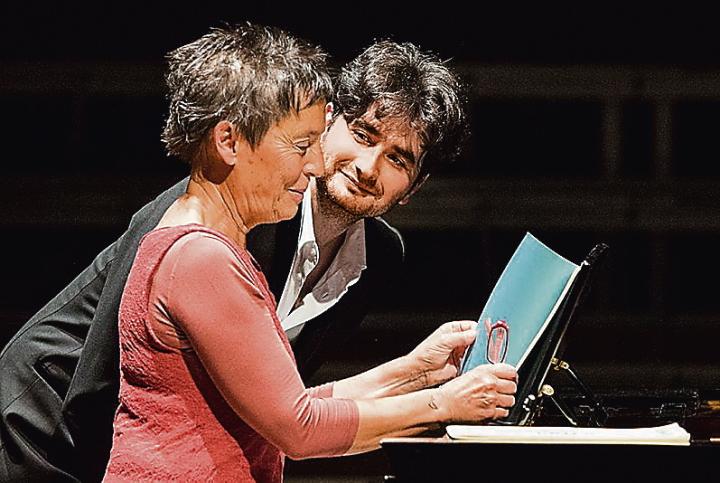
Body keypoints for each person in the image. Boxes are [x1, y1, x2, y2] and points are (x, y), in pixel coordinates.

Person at [0, 29, 500, 483]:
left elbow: (279, 403)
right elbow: (100, 374)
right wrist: (441, 403)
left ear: (416, 186)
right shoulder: (213, 229)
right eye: (362, 135)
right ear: (328, 123)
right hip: (46, 423)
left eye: (397, 158)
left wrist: (416, 372)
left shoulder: (378, 256)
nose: (368, 166)